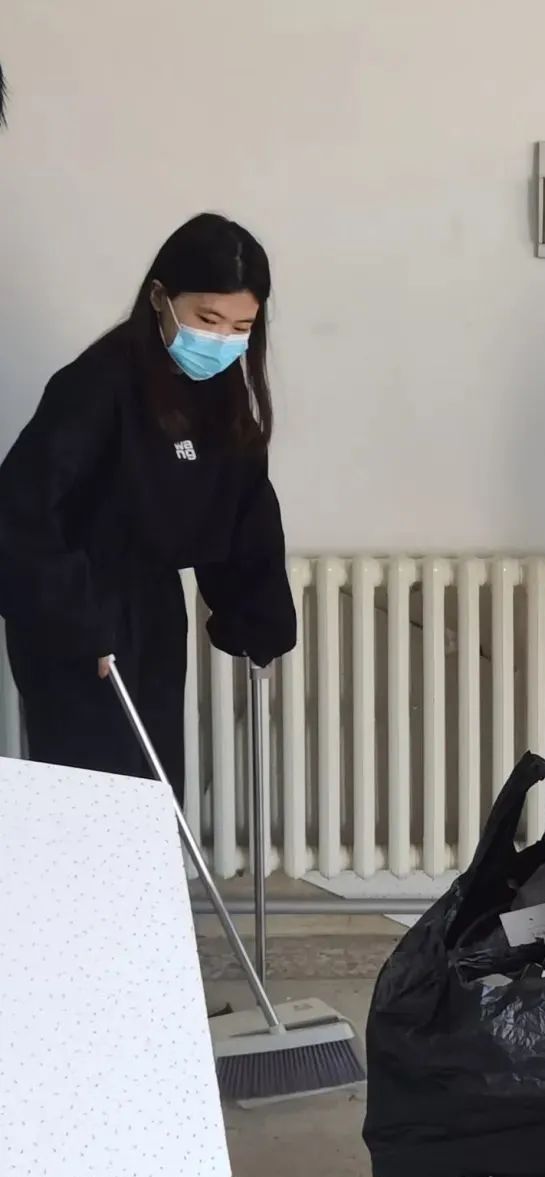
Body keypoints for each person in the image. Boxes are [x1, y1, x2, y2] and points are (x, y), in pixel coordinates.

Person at [0, 213, 297, 799]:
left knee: (153, 783)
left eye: (241, 326)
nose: (221, 340)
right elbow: (22, 513)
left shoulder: (221, 391)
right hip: (79, 608)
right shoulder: (96, 383)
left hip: (153, 604)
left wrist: (257, 619)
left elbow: (245, 506)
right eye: (207, 319)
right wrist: (79, 623)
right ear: (161, 297)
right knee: (96, 790)